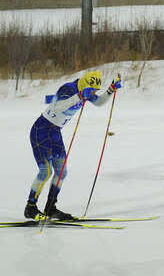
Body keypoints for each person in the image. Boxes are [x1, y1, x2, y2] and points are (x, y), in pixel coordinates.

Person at [25, 71, 122, 220]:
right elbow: (57, 107)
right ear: (85, 84)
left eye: (96, 91)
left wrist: (110, 90)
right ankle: (30, 208)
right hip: (41, 130)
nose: (94, 93)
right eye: (93, 90)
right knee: (45, 172)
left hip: (55, 132)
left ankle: (50, 208)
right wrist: (80, 96)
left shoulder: (86, 91)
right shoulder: (68, 89)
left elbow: (99, 102)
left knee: (61, 172)